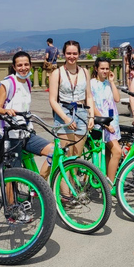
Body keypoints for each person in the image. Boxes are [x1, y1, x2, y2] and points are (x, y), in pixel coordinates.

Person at [48, 41, 95, 196]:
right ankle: (65, 194)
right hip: (64, 113)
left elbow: (89, 96)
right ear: (64, 54)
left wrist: (91, 116)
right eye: (69, 53)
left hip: (81, 113)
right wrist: (65, 118)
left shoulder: (85, 72)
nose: (72, 56)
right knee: (66, 157)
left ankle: (72, 189)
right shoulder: (58, 73)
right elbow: (53, 100)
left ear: (79, 54)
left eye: (74, 53)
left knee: (76, 157)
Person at [0, 51, 53, 175]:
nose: (23, 68)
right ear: (14, 67)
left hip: (26, 133)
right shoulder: (8, 83)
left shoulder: (27, 82)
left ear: (30, 65)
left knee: (54, 151)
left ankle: (39, 188)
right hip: (11, 135)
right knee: (13, 174)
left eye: (26, 64)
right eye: (19, 65)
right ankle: (11, 195)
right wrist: (6, 111)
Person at [90, 57, 121, 184]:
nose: (105, 71)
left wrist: (112, 82)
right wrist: (104, 123)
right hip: (102, 123)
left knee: (108, 153)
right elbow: (92, 105)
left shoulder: (108, 83)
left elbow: (117, 99)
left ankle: (106, 180)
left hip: (113, 121)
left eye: (107, 68)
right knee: (117, 152)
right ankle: (110, 184)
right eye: (102, 68)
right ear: (96, 69)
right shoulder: (91, 83)